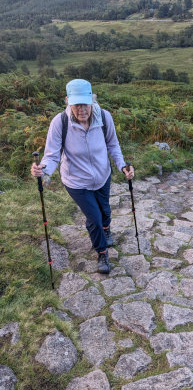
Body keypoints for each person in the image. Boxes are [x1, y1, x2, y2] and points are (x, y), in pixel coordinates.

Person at [31, 79, 134, 274]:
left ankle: (106, 229)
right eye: (76, 104)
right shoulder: (60, 122)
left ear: (92, 101)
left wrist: (123, 166)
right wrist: (42, 169)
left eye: (85, 104)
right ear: (67, 101)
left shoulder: (104, 117)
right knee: (94, 217)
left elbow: (113, 145)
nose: (81, 110)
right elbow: (52, 155)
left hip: (103, 175)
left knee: (104, 211)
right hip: (76, 181)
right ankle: (102, 252)